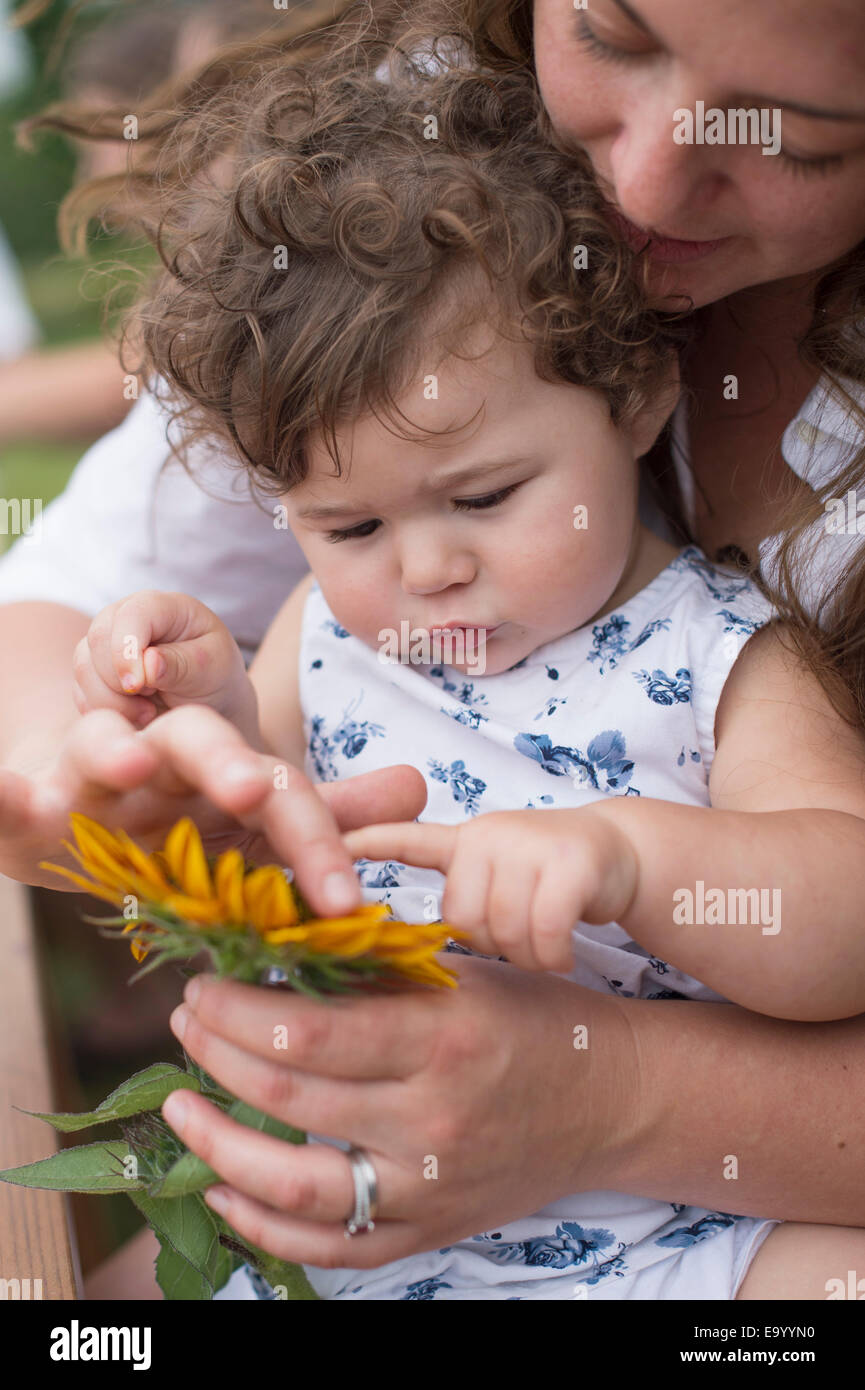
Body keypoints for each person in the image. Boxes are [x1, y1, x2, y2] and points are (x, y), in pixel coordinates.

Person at [1, 0, 865, 1298]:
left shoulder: (722, 657)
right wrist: (194, 727)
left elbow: (841, 906)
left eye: (797, 138)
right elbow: (274, 815)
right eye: (344, 523)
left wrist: (632, 859)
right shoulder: (330, 624)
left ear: (634, 398)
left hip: (673, 1231)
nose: (423, 567)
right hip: (379, 1216)